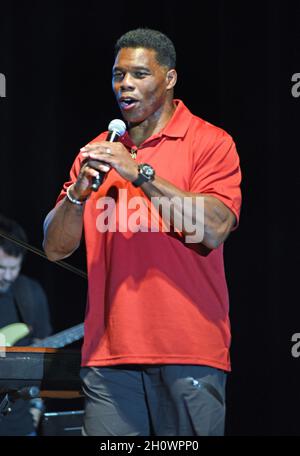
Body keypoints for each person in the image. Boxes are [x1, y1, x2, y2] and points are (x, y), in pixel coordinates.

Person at [43, 28, 242, 436]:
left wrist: (141, 174)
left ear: (169, 79)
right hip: (108, 356)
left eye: (138, 74)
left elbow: (214, 228)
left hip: (188, 350)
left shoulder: (209, 142)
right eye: (118, 75)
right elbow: (54, 249)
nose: (125, 85)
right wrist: (77, 196)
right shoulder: (98, 150)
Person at [0, 214, 52, 436]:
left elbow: (40, 363)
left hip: (18, 423)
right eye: (1, 268)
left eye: (15, 268)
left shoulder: (31, 293)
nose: (8, 276)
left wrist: (38, 405)